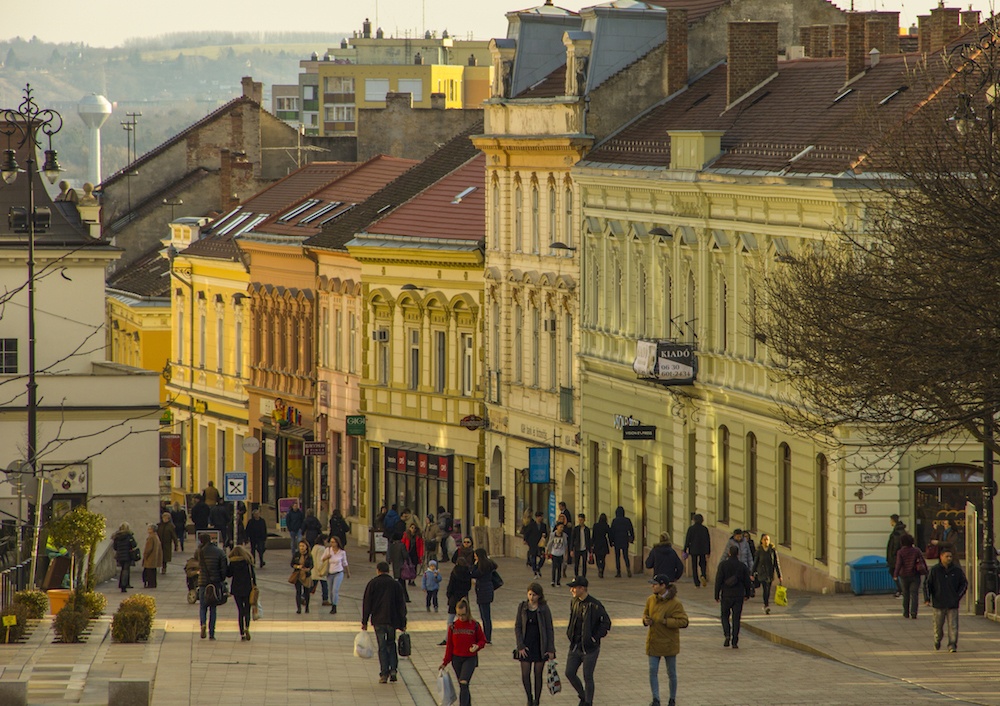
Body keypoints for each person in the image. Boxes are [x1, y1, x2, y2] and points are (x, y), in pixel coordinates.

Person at [565, 576, 611, 706]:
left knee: (588, 676)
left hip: (590, 648)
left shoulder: (595, 604)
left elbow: (606, 623)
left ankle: (588, 702)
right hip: (575, 645)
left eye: (574, 588)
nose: (571, 590)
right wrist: (570, 633)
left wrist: (594, 638)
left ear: (582, 588)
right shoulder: (574, 602)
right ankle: (583, 695)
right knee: (569, 672)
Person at [644, 574, 689, 706]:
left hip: (669, 642)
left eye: (655, 584)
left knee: (671, 672)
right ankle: (656, 699)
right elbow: (646, 613)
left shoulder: (675, 603)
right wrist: (645, 620)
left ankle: (672, 698)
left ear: (663, 586)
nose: (652, 586)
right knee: (652, 670)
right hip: (654, 641)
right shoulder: (651, 599)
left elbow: (684, 621)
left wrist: (666, 621)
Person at [362, 561, 408, 683]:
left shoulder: (373, 583)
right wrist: (403, 622)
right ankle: (393, 669)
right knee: (391, 644)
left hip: (378, 620)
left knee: (382, 647)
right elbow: (401, 605)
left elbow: (367, 604)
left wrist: (364, 621)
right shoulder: (395, 584)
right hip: (392, 620)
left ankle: (384, 673)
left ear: (378, 570)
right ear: (388, 571)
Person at [440, 597, 487, 706]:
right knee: (463, 686)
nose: (461, 617)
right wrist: (445, 662)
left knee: (464, 682)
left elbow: (482, 640)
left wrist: (477, 646)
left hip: (470, 658)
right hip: (456, 659)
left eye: (463, 615)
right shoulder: (453, 627)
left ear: (468, 612)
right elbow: (450, 646)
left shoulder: (475, 625)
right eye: (458, 615)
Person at [515, 582, 556, 706]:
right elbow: (518, 626)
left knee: (538, 674)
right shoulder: (522, 607)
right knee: (525, 673)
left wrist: (551, 649)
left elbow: (549, 628)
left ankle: (537, 700)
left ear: (539, 596)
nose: (531, 597)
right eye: (530, 594)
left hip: (540, 644)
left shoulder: (544, 608)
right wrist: (520, 645)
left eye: (534, 595)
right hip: (526, 644)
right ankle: (529, 697)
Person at [924, 547, 968, 652]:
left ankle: (952, 644)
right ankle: (937, 640)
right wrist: (927, 598)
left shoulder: (956, 570)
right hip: (939, 602)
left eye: (950, 556)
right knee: (938, 626)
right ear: (941, 557)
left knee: (953, 625)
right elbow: (927, 584)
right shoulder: (935, 570)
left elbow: (964, 583)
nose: (949, 558)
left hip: (952, 603)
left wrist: (957, 597)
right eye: (946, 556)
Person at [714, 545, 753, 648]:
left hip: (726, 595)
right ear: (738, 554)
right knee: (736, 618)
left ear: (729, 553)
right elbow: (747, 582)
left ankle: (727, 634)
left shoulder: (723, 565)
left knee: (724, 616)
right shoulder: (742, 566)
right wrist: (747, 594)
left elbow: (718, 580)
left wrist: (716, 594)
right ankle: (735, 641)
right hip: (738, 595)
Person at [197, 532, 228, 640]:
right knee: (213, 607)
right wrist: (222, 579)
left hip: (202, 582)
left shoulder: (200, 552)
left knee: (202, 606)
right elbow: (224, 568)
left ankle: (203, 624)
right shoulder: (219, 551)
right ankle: (212, 633)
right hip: (215, 583)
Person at [893, 534, 927, 620]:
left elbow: (898, 564)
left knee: (906, 594)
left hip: (904, 575)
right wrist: (926, 571)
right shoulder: (916, 550)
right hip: (915, 575)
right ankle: (914, 612)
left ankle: (906, 612)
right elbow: (922, 561)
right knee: (914, 594)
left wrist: (895, 574)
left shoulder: (900, 552)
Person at [441, 556, 473, 645]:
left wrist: (449, 595)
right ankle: (465, 637)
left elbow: (450, 586)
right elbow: (469, 587)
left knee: (450, 620)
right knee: (464, 619)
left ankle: (447, 639)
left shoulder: (455, 572)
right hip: (464, 598)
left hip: (454, 598)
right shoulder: (468, 573)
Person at [226, 545, 256, 641]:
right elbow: (253, 576)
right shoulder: (248, 562)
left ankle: (242, 633)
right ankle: (247, 627)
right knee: (247, 609)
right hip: (248, 588)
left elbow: (229, 574)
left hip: (236, 589)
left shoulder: (233, 563)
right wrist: (254, 586)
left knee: (240, 610)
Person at [469, 548, 497, 643]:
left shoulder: (482, 566)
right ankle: (486, 636)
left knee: (485, 616)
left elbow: (473, 574)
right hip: (487, 590)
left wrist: (475, 565)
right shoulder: (488, 564)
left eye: (476, 555)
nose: (474, 557)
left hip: (483, 591)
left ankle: (487, 637)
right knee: (485, 615)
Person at [751, 533, 782, 615]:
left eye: (767, 539)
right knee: (765, 588)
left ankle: (766, 603)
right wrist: (752, 573)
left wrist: (779, 575)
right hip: (761, 573)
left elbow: (776, 563)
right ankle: (766, 604)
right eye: (764, 539)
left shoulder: (772, 550)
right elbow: (755, 562)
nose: (766, 541)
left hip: (770, 573)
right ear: (761, 540)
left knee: (768, 589)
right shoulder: (759, 551)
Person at [322, 535, 350, 614]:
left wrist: (348, 572)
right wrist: (327, 557)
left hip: (339, 572)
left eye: (333, 542)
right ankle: (332, 602)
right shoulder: (328, 550)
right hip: (330, 573)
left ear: (337, 543)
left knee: (335, 590)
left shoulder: (342, 552)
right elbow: (322, 559)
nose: (332, 544)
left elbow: (345, 563)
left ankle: (334, 606)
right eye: (331, 542)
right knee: (330, 590)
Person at [682, 514, 711, 588]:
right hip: (703, 549)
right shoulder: (704, 529)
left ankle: (696, 582)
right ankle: (703, 575)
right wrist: (708, 551)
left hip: (693, 549)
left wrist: (685, 549)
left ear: (694, 520)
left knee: (694, 565)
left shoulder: (691, 529)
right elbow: (708, 540)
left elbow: (687, 540)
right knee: (703, 563)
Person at [112, 523, 138, 593]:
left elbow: (115, 547)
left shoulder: (117, 536)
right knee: (126, 570)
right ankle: (124, 586)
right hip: (127, 555)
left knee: (123, 569)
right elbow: (134, 544)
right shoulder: (129, 536)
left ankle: (122, 584)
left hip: (120, 555)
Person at [610, 506, 635, 578]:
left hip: (617, 540)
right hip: (625, 539)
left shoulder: (615, 521)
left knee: (617, 556)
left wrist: (611, 541)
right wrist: (632, 538)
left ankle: (618, 572)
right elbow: (631, 530)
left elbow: (612, 531)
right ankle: (628, 569)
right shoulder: (627, 520)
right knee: (625, 555)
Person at [887, 514, 908, 598]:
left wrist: (892, 555)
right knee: (896, 572)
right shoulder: (901, 530)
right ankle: (901, 590)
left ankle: (901, 590)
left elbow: (895, 545)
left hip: (896, 557)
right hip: (899, 556)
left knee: (894, 572)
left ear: (893, 521)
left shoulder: (896, 532)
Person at [291, 539, 314, 614]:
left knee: (307, 592)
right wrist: (297, 566)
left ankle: (307, 607)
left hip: (306, 576)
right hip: (298, 575)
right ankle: (299, 608)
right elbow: (292, 564)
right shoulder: (297, 554)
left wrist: (308, 569)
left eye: (303, 546)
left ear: (306, 547)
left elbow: (312, 565)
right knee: (298, 592)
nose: (301, 548)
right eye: (300, 546)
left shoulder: (309, 555)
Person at [388, 531, 411, 603]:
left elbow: (389, 557)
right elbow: (405, 555)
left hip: (395, 566)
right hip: (402, 566)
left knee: (400, 582)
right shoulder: (401, 545)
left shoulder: (392, 546)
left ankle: (402, 597)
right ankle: (404, 597)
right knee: (402, 583)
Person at [522, 511, 546, 579]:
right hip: (533, 544)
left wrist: (544, 535)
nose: (541, 518)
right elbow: (527, 533)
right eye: (540, 517)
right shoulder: (532, 525)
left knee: (542, 557)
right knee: (533, 558)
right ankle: (535, 572)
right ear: (537, 517)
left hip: (540, 544)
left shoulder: (543, 525)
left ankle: (538, 567)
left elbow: (545, 532)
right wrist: (525, 540)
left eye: (542, 517)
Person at [570, 513, 593, 578]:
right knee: (576, 563)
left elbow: (589, 539)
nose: (580, 521)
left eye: (581, 520)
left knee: (584, 563)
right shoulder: (576, 529)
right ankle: (576, 575)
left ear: (584, 520)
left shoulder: (587, 529)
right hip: (577, 548)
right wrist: (571, 549)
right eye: (579, 520)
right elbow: (572, 539)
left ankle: (583, 576)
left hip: (585, 548)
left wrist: (590, 549)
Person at [546, 522, 568, 587]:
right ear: (557, 527)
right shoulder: (553, 534)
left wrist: (566, 554)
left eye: (562, 527)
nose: (561, 529)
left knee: (559, 568)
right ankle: (553, 580)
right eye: (560, 527)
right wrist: (547, 552)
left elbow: (565, 545)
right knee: (554, 567)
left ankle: (558, 581)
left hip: (560, 553)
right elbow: (549, 543)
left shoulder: (564, 535)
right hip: (554, 553)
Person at [141, 524, 163, 589]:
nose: (148, 530)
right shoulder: (156, 536)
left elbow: (148, 548)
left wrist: (145, 555)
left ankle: (150, 584)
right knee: (153, 571)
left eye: (149, 529)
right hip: (154, 557)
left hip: (150, 557)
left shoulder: (151, 537)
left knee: (149, 571)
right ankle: (153, 583)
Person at [311, 533, 329, 606]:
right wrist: (321, 569)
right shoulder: (322, 548)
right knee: (324, 586)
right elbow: (320, 560)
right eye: (326, 540)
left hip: (314, 570)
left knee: (312, 585)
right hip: (319, 571)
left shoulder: (315, 547)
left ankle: (303, 597)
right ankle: (325, 599)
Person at [591, 513, 611, 579]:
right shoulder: (606, 526)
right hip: (603, 543)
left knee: (597, 557)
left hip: (597, 543)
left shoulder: (595, 525)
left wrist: (592, 544)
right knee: (603, 558)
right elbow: (609, 535)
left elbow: (593, 535)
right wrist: (611, 543)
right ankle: (602, 570)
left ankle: (599, 567)